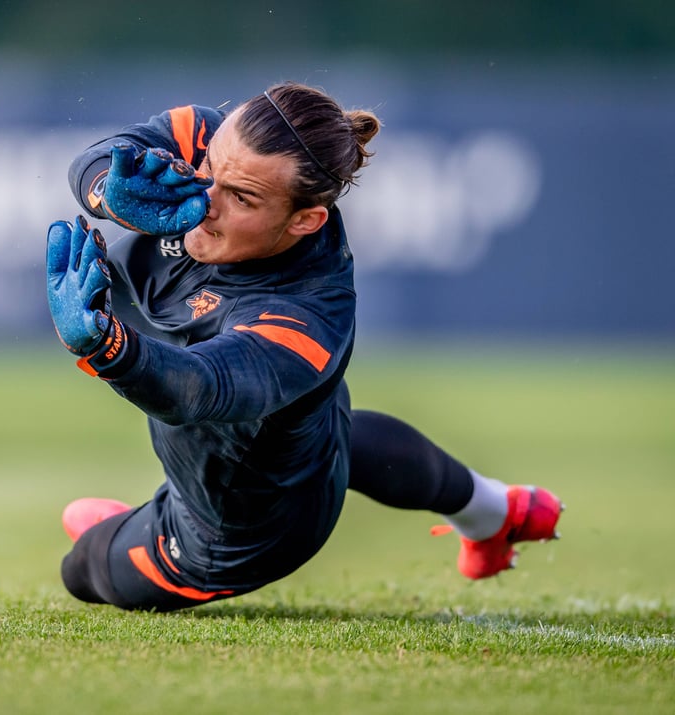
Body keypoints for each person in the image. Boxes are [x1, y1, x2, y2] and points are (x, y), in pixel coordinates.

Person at [45, 81, 562, 612]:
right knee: (326, 434)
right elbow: (97, 160)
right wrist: (108, 190)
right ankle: (499, 512)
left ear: (305, 220)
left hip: (237, 529)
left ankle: (133, 529)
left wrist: (108, 348)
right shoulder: (208, 138)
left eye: (241, 197)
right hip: (300, 444)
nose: (204, 202)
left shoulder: (305, 316)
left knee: (82, 568)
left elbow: (197, 389)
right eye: (208, 169)